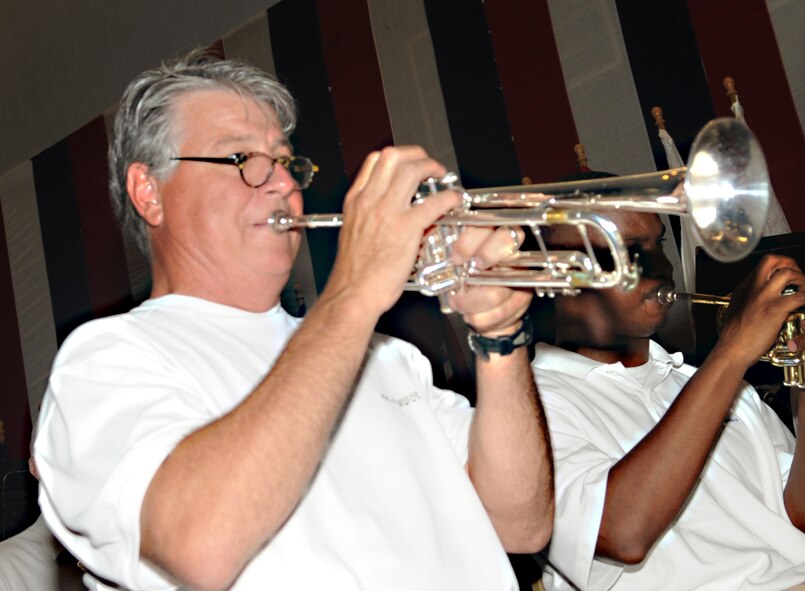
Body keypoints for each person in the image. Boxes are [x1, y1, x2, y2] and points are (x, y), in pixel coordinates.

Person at [33, 49, 554, 591]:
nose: (282, 182)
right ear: (150, 192)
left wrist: (500, 338)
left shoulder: (389, 357)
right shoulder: (106, 360)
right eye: (241, 159)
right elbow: (201, 544)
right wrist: (353, 292)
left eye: (285, 161)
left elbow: (522, 524)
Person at [531, 208, 805, 590]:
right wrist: (733, 350)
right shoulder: (530, 408)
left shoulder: (711, 384)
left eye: (657, 244)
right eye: (630, 249)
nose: (660, 265)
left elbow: (797, 514)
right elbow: (622, 533)